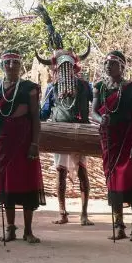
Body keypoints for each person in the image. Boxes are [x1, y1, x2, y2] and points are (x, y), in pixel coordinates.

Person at [95, 52, 132, 241]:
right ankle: (119, 226)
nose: (108, 67)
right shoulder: (100, 88)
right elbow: (93, 111)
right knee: (114, 183)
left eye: (113, 63)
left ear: (122, 67)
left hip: (129, 140)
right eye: (106, 63)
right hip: (110, 141)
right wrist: (99, 119)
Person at [0, 51, 43, 243]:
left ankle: (28, 231)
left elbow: (36, 118)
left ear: (20, 65)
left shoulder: (30, 87)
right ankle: (10, 229)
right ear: (2, 66)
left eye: (15, 62)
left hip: (24, 141)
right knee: (6, 182)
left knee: (27, 181)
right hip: (4, 141)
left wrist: (34, 143)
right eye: (7, 62)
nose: (11, 65)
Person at [41, 64, 95, 227]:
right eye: (60, 69)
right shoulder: (52, 88)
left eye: (68, 68)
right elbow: (44, 112)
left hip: (80, 130)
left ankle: (84, 214)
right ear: (56, 71)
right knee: (60, 173)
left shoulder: (84, 86)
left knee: (83, 172)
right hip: (60, 131)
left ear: (74, 69)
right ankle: (62, 213)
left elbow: (98, 103)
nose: (64, 72)